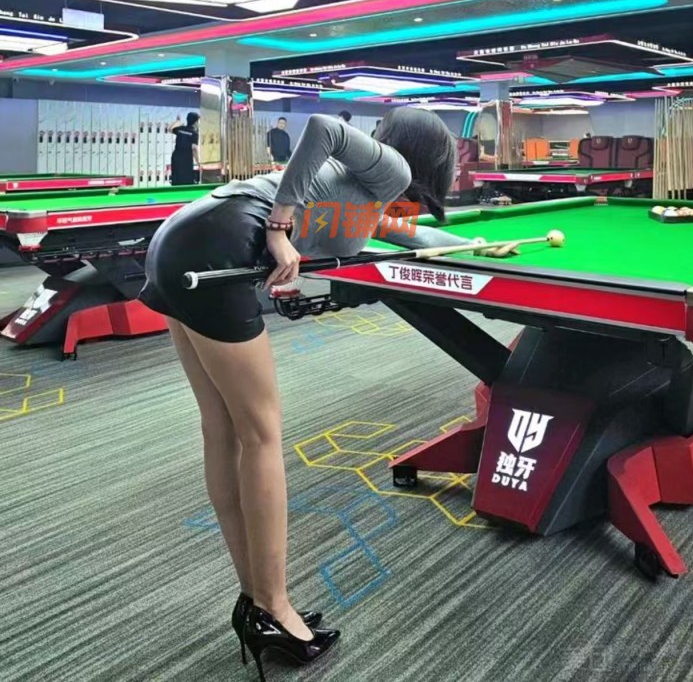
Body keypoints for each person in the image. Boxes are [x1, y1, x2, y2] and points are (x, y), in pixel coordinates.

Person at [138, 109, 464, 679]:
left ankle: (255, 599)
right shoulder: (391, 169)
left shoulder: (361, 187)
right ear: (433, 157)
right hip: (216, 247)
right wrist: (279, 227)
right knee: (261, 434)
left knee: (225, 429)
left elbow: (404, 233)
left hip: (181, 240)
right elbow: (322, 126)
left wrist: (475, 245)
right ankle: (274, 606)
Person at [170, 112, 200, 186]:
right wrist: (198, 162)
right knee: (186, 180)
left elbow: (170, 129)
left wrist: (177, 121)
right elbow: (194, 148)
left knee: (176, 178)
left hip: (176, 157)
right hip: (186, 158)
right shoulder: (194, 133)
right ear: (195, 122)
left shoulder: (181, 129)